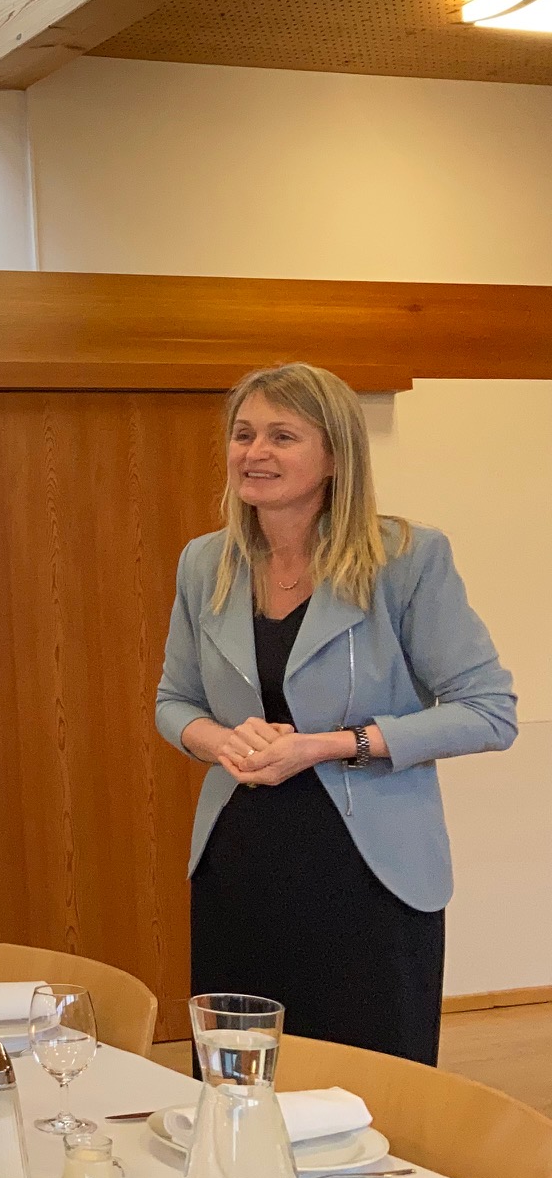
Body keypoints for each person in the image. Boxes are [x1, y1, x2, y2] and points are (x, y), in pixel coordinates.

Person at [156, 363, 517, 1064]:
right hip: (240, 866)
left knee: (370, 1088)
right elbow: (174, 703)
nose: (254, 452)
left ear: (334, 456)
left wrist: (329, 744)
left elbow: (489, 711)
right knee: (241, 1084)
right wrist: (222, 741)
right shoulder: (205, 562)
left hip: (368, 875)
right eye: (243, 434)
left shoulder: (406, 558)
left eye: (282, 436)